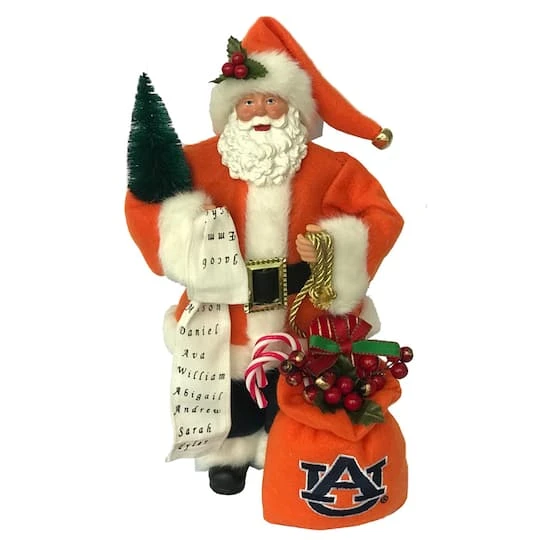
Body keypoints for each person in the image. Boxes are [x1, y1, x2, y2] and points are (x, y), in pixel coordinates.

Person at [125, 16, 403, 495]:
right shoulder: (198, 162)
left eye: (271, 101)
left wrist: (331, 247)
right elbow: (144, 202)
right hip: (227, 311)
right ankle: (229, 456)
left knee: (296, 387)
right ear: (231, 109)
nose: (260, 112)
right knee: (229, 391)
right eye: (248, 102)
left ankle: (287, 447)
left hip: (303, 308)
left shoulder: (333, 167)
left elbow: (381, 215)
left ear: (292, 107)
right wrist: (186, 231)